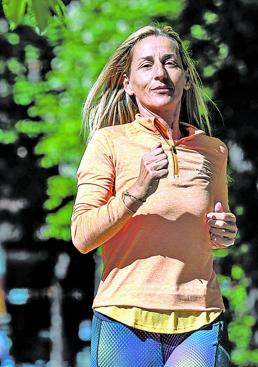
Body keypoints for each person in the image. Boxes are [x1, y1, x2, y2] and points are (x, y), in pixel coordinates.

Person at [71, 25, 238, 367]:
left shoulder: (214, 150)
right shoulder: (109, 142)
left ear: (186, 78)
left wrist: (224, 234)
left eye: (170, 62)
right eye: (146, 65)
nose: (160, 73)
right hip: (124, 316)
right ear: (128, 83)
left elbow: (214, 234)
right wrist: (137, 191)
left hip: (200, 315)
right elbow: (82, 236)